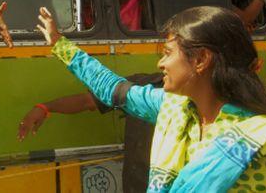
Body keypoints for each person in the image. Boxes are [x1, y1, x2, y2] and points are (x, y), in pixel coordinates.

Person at [36, 6, 266, 192]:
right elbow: (113, 89)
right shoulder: (173, 111)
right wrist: (60, 45)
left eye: (167, 53)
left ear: (201, 60)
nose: (160, 64)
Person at [17, 73, 163, 193]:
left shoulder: (183, 100)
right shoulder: (139, 86)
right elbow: (86, 101)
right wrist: (45, 108)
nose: (163, 62)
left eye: (170, 53)